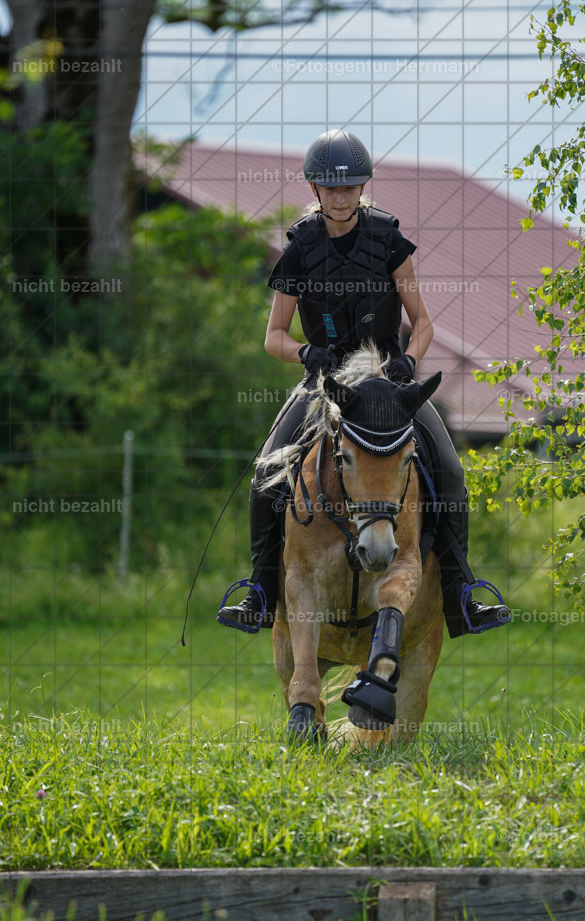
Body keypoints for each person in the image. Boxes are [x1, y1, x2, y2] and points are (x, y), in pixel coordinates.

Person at [217, 129, 507, 638]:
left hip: (387, 385)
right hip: (326, 386)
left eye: (349, 187)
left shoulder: (388, 238)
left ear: (362, 187)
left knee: (452, 471)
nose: (341, 197)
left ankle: (461, 596)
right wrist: (306, 351)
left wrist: (408, 364)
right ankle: (260, 594)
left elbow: (425, 324)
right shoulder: (300, 248)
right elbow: (274, 338)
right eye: (330, 189)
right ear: (314, 191)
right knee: (266, 476)